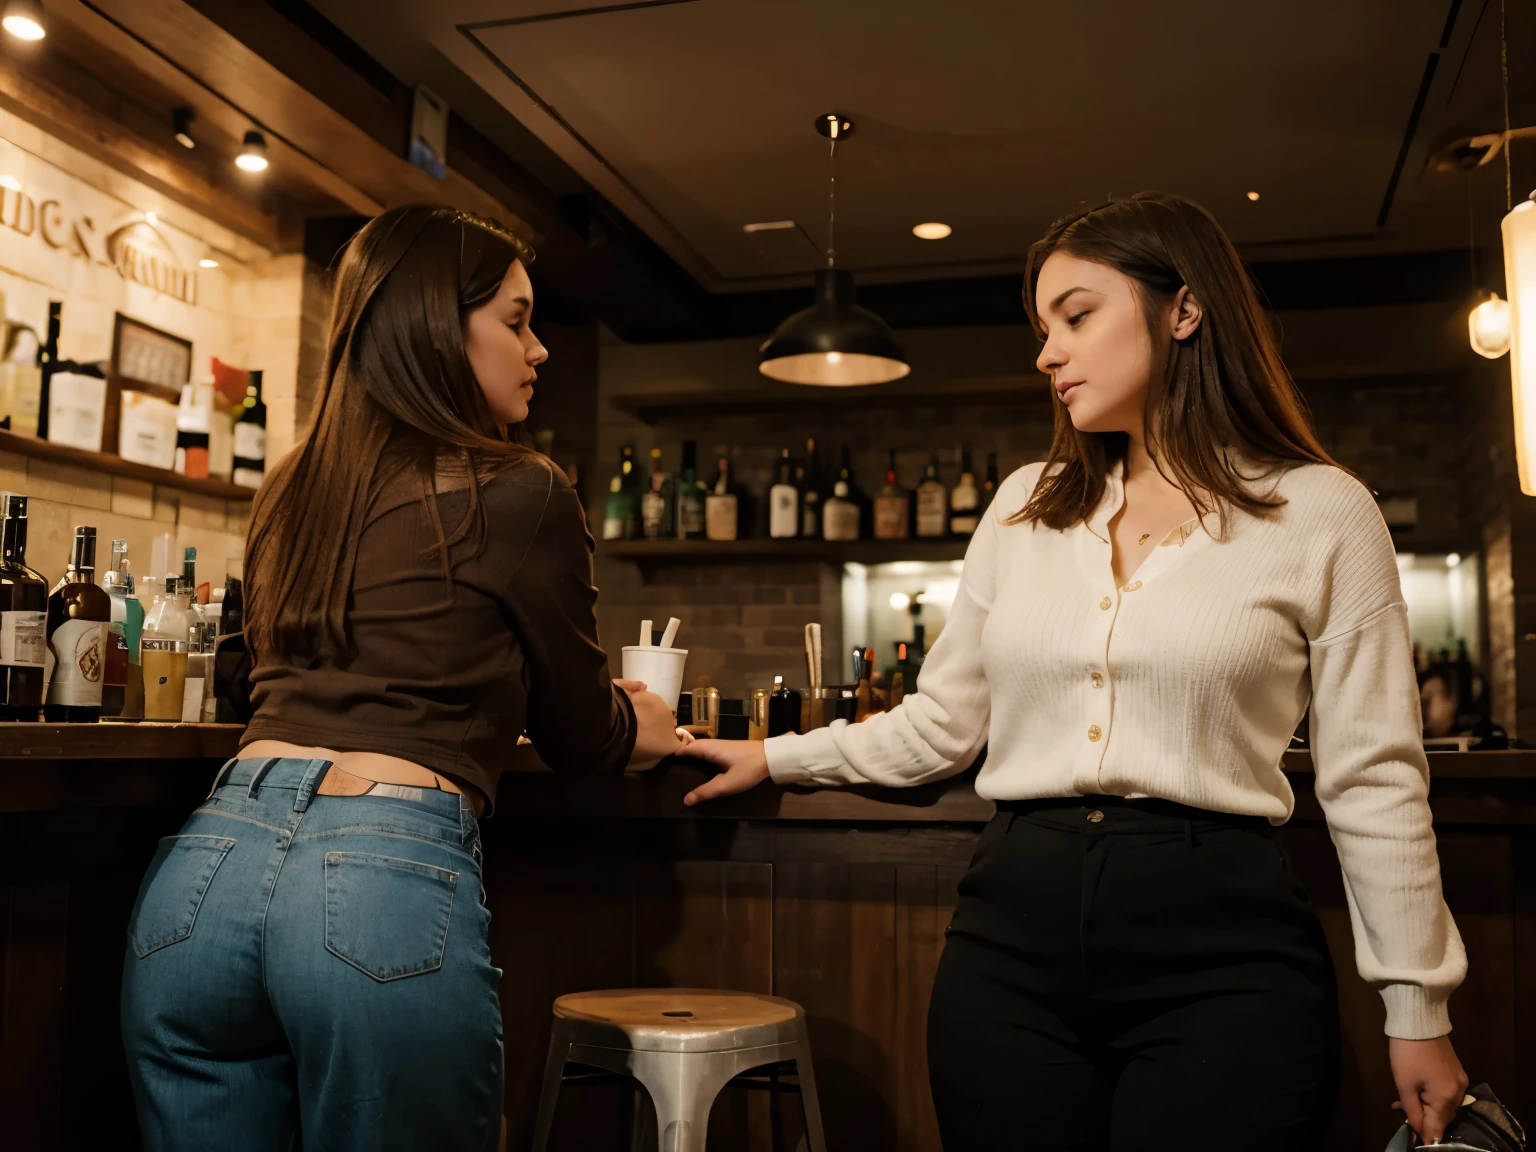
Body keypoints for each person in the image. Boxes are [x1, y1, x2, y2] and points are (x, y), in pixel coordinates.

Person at [682, 193, 1469, 1149]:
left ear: (1183, 309)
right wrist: (778, 757)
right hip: (1012, 945)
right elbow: (943, 724)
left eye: (1077, 315)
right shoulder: (1025, 506)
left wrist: (1416, 1010)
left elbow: (1374, 778)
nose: (1046, 352)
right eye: (1043, 326)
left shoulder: (1320, 512)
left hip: (1224, 950)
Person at [121, 205, 683, 1151]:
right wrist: (647, 730)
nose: (538, 348)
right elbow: (583, 738)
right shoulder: (523, 489)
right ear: (434, 321)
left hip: (202, 873)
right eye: (515, 319)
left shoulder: (289, 491)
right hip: (374, 881)